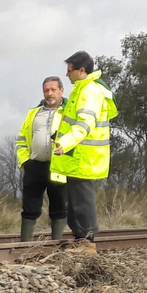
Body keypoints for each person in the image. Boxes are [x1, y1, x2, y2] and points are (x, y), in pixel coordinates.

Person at [51, 51, 117, 242]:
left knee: (82, 203)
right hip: (80, 156)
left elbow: (84, 125)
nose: (67, 74)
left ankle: (86, 243)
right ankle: (81, 241)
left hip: (84, 157)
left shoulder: (89, 91)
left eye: (69, 70)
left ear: (82, 70)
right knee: (76, 203)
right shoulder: (83, 88)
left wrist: (65, 142)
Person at [14, 77, 68, 241]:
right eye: (46, 90)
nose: (49, 93)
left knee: (59, 206)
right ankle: (25, 245)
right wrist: (25, 162)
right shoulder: (34, 113)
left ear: (61, 90)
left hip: (59, 165)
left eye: (53, 89)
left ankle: (56, 244)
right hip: (34, 166)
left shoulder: (69, 112)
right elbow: (21, 140)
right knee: (30, 206)